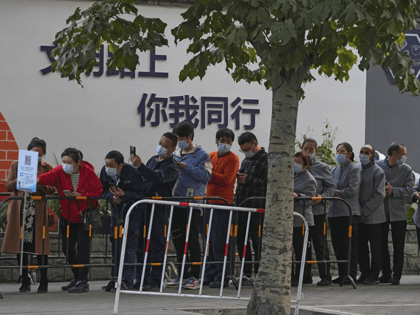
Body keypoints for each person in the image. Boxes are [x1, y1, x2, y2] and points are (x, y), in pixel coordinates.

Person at [37, 148, 102, 293]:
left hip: (84, 216)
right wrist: (35, 180)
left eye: (69, 162)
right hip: (67, 215)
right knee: (67, 249)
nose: (65, 165)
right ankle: (77, 277)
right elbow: (47, 177)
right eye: (64, 161)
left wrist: (82, 195)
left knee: (83, 248)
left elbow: (98, 192)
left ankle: (83, 281)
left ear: (78, 163)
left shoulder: (89, 174)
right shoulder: (60, 171)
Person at [1, 137, 55, 293]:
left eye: (39, 154)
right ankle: (24, 280)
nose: (36, 156)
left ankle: (44, 280)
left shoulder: (47, 167)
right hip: (21, 210)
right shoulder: (16, 164)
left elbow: (52, 189)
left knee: (41, 247)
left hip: (37, 210)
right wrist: (23, 177)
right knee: (21, 246)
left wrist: (39, 181)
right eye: (33, 153)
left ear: (43, 155)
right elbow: (8, 185)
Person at [130, 132, 180, 291]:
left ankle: (156, 280)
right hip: (143, 207)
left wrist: (141, 167)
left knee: (156, 245)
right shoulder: (153, 159)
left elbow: (156, 177)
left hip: (158, 209)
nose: (161, 147)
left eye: (165, 146)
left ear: (172, 148)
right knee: (140, 245)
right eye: (160, 143)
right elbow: (142, 177)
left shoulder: (172, 166)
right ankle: (141, 278)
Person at [166, 121, 212, 290]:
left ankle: (195, 275)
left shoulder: (201, 155)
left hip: (193, 203)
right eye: (177, 138)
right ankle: (182, 274)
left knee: (192, 239)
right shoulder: (176, 153)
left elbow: (206, 176)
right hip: (176, 202)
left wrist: (186, 167)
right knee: (178, 240)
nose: (179, 141)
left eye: (182, 138)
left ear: (190, 137)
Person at [100, 150, 144, 290]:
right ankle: (115, 279)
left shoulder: (132, 172)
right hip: (116, 212)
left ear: (120, 165)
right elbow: (103, 190)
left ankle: (127, 280)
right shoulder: (104, 172)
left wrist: (124, 195)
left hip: (132, 213)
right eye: (106, 164)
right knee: (115, 245)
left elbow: (140, 193)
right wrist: (111, 197)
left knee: (129, 247)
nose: (108, 168)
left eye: (111, 165)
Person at [202, 128, 239, 288]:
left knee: (220, 241)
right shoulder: (211, 156)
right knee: (208, 241)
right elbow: (203, 175)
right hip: (209, 202)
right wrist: (209, 174)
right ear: (216, 141)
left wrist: (210, 174)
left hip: (223, 204)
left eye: (228, 141)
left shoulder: (233, 159)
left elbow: (227, 179)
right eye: (222, 140)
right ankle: (209, 274)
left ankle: (222, 275)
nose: (225, 143)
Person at [376, 142, 414, 285]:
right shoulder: (378, 166)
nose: (404, 157)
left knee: (399, 246)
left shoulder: (406, 169)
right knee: (382, 244)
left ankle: (397, 275)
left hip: (398, 213)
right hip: (381, 211)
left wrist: (394, 191)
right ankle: (385, 273)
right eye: (402, 154)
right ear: (394, 153)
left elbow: (409, 190)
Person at [234, 131, 268, 285]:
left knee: (258, 241)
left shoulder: (266, 160)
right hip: (242, 206)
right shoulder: (246, 161)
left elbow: (268, 184)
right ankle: (246, 272)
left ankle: (259, 273)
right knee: (241, 240)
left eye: (247, 149)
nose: (245, 153)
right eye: (243, 150)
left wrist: (248, 180)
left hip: (257, 208)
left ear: (255, 143)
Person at [302, 138, 336, 286]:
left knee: (320, 244)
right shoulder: (297, 165)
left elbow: (331, 186)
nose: (308, 152)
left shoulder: (322, 167)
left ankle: (325, 275)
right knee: (303, 244)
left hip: (318, 212)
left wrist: (322, 197)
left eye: (311, 149)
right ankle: (305, 276)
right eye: (306, 149)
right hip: (302, 212)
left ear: (316, 151)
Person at [328, 142, 361, 284]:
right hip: (334, 213)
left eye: (342, 151)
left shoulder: (354, 170)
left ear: (349, 154)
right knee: (338, 245)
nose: (339, 154)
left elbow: (352, 189)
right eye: (338, 151)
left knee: (349, 245)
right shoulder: (334, 170)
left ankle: (350, 274)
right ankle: (342, 274)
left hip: (348, 212)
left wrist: (336, 193)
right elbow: (328, 186)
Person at [357, 144, 386, 285]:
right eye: (361, 152)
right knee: (361, 246)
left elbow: (379, 194)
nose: (363, 155)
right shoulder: (357, 170)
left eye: (366, 153)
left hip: (374, 216)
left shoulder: (378, 172)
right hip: (360, 216)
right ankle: (364, 272)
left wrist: (365, 210)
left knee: (375, 247)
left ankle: (374, 275)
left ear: (373, 155)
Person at [292, 151, 317, 287]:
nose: (295, 164)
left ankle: (303, 275)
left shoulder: (309, 179)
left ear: (306, 165)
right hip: (292, 217)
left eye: (298, 162)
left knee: (301, 249)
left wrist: (298, 195)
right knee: (294, 248)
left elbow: (311, 199)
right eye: (294, 161)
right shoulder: (292, 175)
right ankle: (293, 274)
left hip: (303, 219)